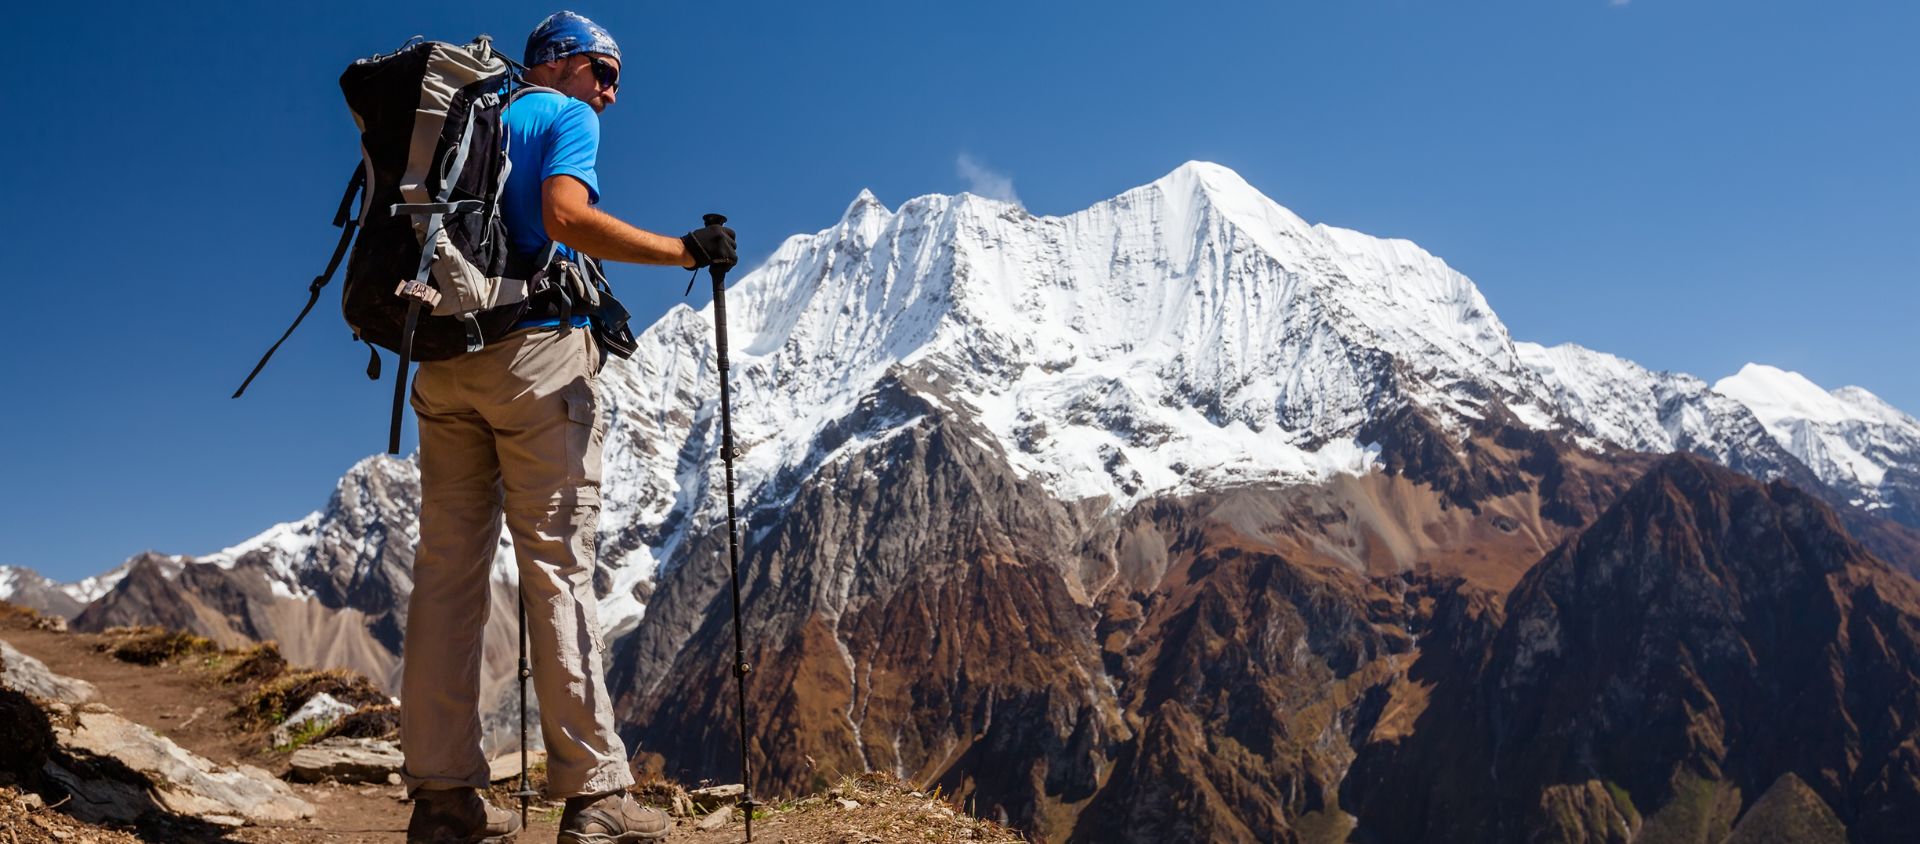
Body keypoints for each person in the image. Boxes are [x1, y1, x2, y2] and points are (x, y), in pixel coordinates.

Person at [399, 10, 737, 843]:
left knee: (446, 574)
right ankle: (595, 797)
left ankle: (441, 802)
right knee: (557, 565)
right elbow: (564, 219)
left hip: (443, 362)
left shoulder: (459, 121)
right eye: (603, 70)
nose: (612, 93)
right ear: (556, 64)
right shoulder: (563, 114)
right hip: (533, 361)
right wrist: (685, 252)